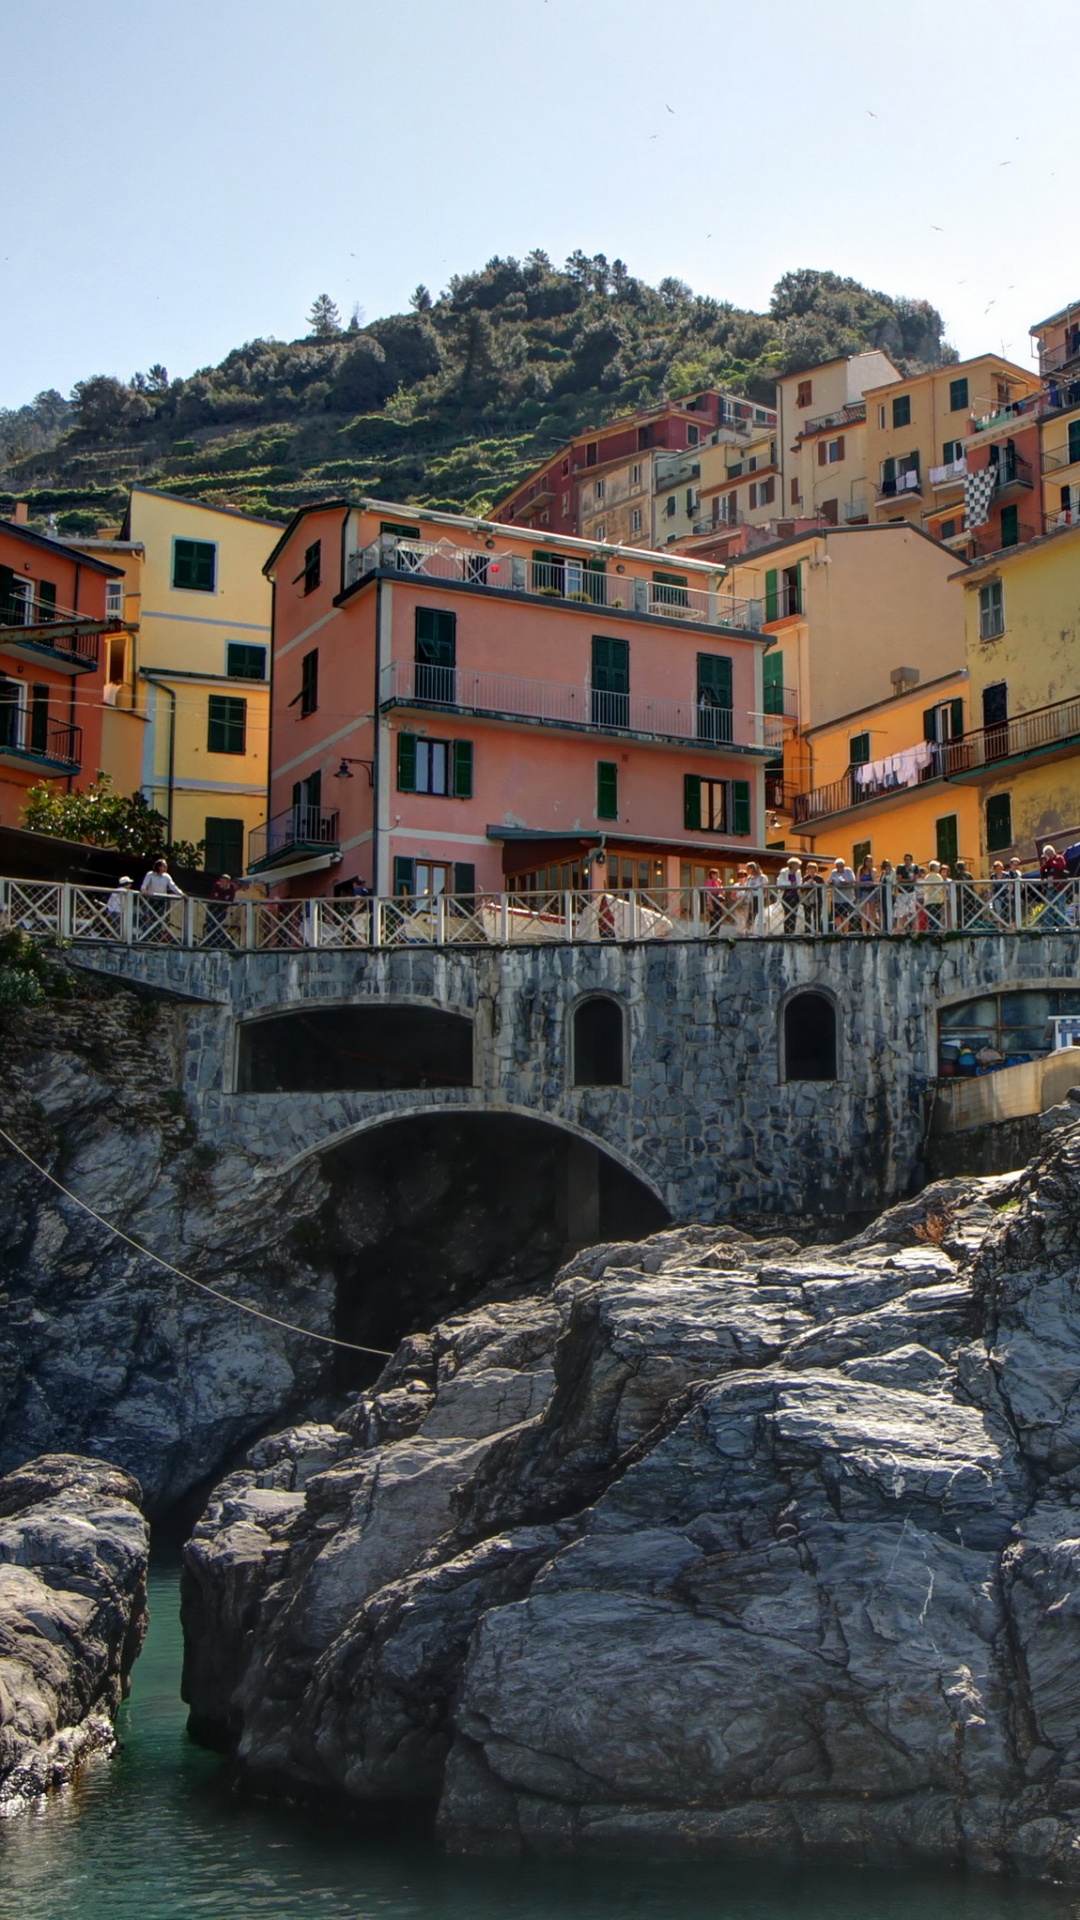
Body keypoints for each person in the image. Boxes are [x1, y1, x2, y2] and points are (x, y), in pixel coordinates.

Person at [139, 857, 183, 941]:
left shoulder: (166, 876)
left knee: (160, 919)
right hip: (151, 899)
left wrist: (181, 894)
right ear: (159, 867)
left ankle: (156, 936)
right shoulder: (150, 874)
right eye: (164, 866)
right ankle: (147, 937)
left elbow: (173, 886)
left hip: (162, 900)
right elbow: (143, 886)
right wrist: (145, 891)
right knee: (149, 917)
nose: (166, 868)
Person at [203, 871, 237, 948]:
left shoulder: (231, 888)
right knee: (210, 926)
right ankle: (212, 943)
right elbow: (214, 897)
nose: (221, 882)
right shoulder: (216, 885)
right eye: (221, 880)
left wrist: (221, 899)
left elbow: (229, 900)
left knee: (217, 926)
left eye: (223, 881)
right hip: (212, 908)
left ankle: (225, 942)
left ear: (228, 882)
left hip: (222, 909)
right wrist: (222, 899)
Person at [828, 857, 856, 931]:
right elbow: (829, 881)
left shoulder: (848, 871)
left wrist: (845, 882)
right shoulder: (833, 872)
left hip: (847, 898)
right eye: (838, 866)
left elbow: (853, 880)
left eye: (841, 866)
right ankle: (840, 932)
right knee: (836, 916)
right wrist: (832, 882)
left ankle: (845, 932)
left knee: (845, 915)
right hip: (836, 898)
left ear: (844, 865)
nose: (840, 868)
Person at [921, 858, 947, 931]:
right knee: (935, 916)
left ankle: (932, 930)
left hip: (929, 900)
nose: (939, 868)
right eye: (938, 867)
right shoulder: (936, 876)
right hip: (935, 900)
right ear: (934, 868)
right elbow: (940, 887)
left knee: (932, 916)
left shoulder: (927, 876)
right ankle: (934, 931)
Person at [779, 856, 802, 935]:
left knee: (794, 913)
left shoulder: (798, 872)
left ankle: (792, 931)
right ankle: (787, 931)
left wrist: (797, 885)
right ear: (792, 865)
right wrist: (790, 884)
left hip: (795, 896)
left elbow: (799, 882)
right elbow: (779, 883)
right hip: (786, 896)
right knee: (787, 913)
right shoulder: (784, 871)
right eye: (797, 864)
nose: (798, 866)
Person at [855, 854, 878, 932]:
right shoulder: (860, 870)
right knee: (863, 913)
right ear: (864, 862)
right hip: (863, 892)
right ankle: (864, 930)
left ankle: (872, 930)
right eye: (867, 861)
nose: (869, 863)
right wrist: (866, 883)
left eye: (870, 861)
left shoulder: (873, 870)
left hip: (872, 892)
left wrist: (871, 871)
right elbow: (858, 881)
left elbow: (875, 881)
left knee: (872, 912)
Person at [802, 860, 825, 933]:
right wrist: (807, 884)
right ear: (807, 870)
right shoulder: (805, 878)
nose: (811, 870)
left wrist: (816, 884)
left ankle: (818, 930)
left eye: (813, 868)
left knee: (817, 916)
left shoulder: (820, 878)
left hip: (817, 899)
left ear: (816, 869)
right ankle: (807, 931)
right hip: (807, 899)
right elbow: (802, 888)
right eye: (810, 868)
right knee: (807, 915)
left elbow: (823, 887)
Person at [744, 860, 765, 932]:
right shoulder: (749, 878)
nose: (747, 871)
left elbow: (765, 886)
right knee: (751, 915)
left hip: (759, 897)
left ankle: (761, 931)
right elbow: (747, 888)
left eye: (748, 869)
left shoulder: (761, 877)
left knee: (760, 915)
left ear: (752, 869)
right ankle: (748, 930)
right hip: (751, 898)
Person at [704, 867, 724, 931]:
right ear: (712, 875)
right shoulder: (709, 882)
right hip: (712, 901)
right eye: (716, 875)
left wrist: (720, 884)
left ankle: (716, 932)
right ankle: (712, 932)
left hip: (718, 901)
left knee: (719, 917)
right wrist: (710, 904)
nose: (718, 876)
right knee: (714, 917)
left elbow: (722, 892)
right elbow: (708, 893)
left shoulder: (717, 882)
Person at [878, 859, 895, 933]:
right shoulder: (883, 874)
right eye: (886, 866)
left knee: (892, 910)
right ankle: (885, 927)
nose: (888, 867)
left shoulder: (893, 872)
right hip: (883, 894)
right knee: (884, 911)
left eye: (889, 865)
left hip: (892, 893)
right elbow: (880, 882)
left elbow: (893, 882)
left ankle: (892, 928)